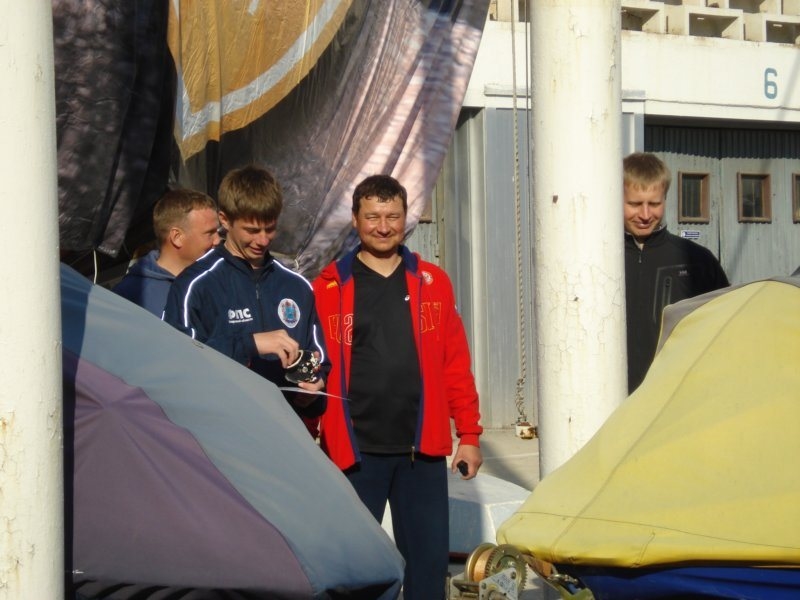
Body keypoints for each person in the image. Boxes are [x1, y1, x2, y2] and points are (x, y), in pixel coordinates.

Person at [312, 174, 483, 600]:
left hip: (419, 454)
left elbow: (455, 365)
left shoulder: (433, 282)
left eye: (392, 216)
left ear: (406, 218)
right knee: (353, 569)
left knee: (427, 568)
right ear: (355, 220)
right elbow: (314, 372)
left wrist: (469, 434)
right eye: (373, 217)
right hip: (354, 452)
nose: (383, 227)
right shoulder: (327, 287)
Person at [163, 165, 327, 418]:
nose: (263, 240)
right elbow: (175, 362)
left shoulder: (297, 286)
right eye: (252, 230)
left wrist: (314, 390)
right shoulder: (195, 285)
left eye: (270, 228)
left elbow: (319, 364)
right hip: (221, 430)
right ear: (225, 220)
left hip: (284, 432)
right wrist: (250, 344)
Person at [623, 152, 729, 393]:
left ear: (665, 199)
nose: (645, 215)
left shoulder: (698, 261)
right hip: (611, 401)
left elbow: (722, 332)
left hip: (675, 397)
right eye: (635, 204)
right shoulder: (595, 261)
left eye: (654, 204)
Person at [112, 189, 220, 316]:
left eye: (218, 231)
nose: (218, 240)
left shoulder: (221, 280)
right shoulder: (130, 297)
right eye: (210, 233)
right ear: (177, 237)